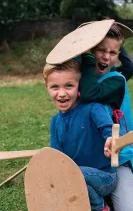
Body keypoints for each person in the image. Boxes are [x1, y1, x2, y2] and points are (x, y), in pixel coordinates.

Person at [78, 22, 133, 211]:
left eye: (114, 53)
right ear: (90, 49)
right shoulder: (77, 77)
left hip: (114, 161)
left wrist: (90, 56)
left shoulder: (116, 80)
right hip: (84, 159)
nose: (106, 57)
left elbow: (90, 93)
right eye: (100, 50)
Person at [43, 59, 127, 211]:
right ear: (47, 87)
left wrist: (111, 138)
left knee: (72, 174)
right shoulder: (55, 122)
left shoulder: (93, 108)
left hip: (105, 176)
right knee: (60, 175)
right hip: (76, 177)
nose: (62, 94)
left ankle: (100, 207)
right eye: (55, 87)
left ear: (79, 85)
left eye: (69, 86)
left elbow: (110, 129)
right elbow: (57, 157)